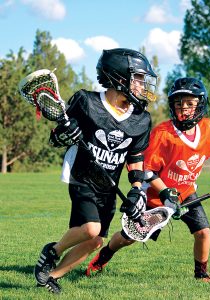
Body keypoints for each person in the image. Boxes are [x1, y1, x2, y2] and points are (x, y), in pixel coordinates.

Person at [86, 77, 210, 282]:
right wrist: (166, 194)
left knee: (203, 231)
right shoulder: (162, 134)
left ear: (200, 105)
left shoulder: (208, 128)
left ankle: (201, 275)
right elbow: (147, 171)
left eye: (190, 104)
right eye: (179, 103)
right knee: (129, 237)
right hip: (157, 196)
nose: (184, 108)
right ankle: (102, 258)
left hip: (186, 192)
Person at [33, 48, 158, 294]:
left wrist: (136, 190)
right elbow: (56, 138)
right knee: (91, 228)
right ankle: (52, 251)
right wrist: (64, 133)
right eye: (139, 79)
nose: (143, 86)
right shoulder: (86, 101)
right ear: (119, 77)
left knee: (95, 240)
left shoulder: (141, 119)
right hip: (81, 176)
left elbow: (135, 157)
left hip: (108, 184)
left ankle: (51, 276)